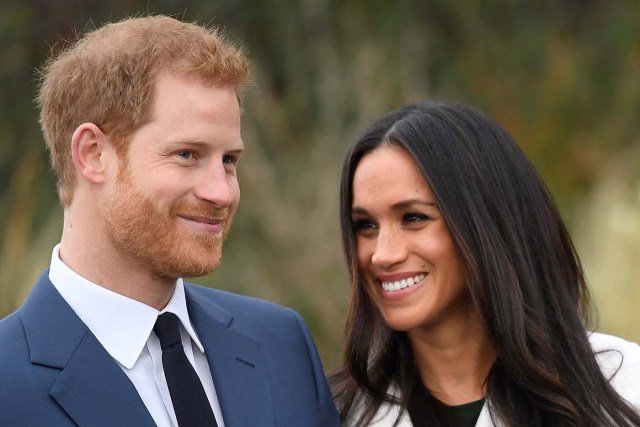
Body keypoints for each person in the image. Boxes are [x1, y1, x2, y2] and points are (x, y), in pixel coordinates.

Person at [0, 15, 339, 427]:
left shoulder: (281, 344)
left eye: (229, 160)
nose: (222, 192)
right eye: (187, 155)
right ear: (92, 153)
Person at [329, 100, 640, 426]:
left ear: (487, 224)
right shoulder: (330, 413)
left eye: (414, 218)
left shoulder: (623, 387)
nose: (383, 254)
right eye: (365, 225)